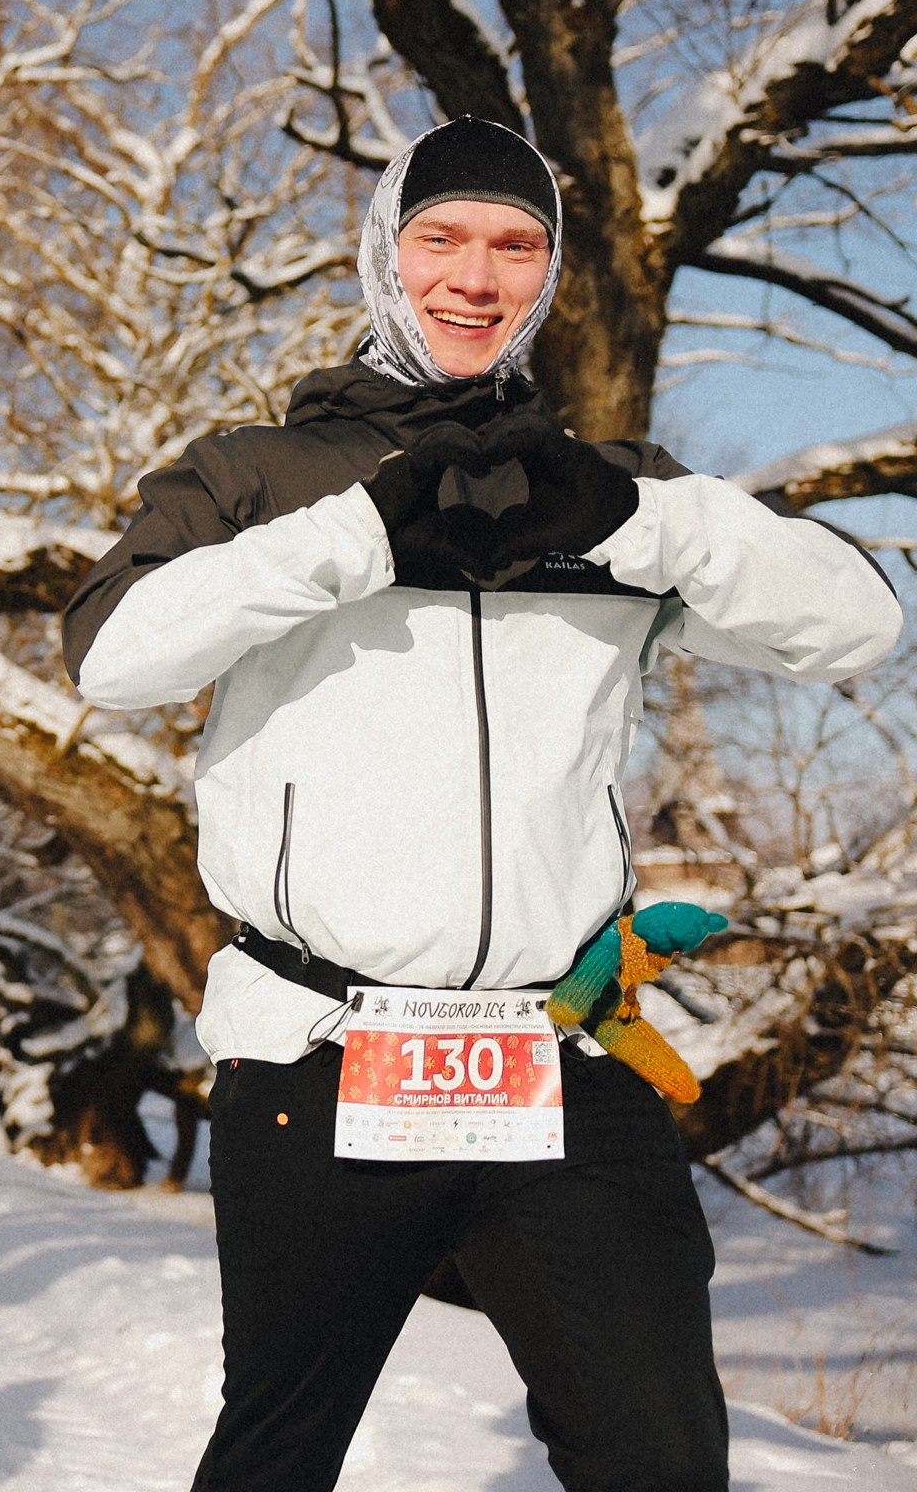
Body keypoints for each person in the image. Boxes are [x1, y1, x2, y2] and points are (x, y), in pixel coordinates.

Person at [60, 118, 902, 1492]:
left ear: (551, 275)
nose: (477, 274)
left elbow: (856, 625)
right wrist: (365, 534)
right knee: (279, 1454)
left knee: (663, 1459)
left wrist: (634, 513)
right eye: (441, 237)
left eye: (517, 245)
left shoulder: (611, 498)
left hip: (555, 1056)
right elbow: (115, 655)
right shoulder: (256, 478)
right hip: (325, 1056)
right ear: (383, 257)